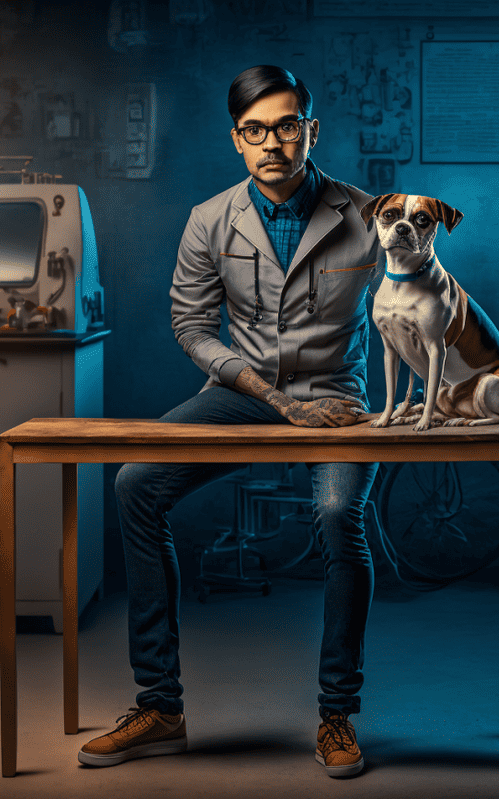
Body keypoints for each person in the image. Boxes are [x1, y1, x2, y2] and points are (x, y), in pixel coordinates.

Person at [78, 65, 382, 779]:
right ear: (236, 141)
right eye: (255, 131)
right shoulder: (208, 220)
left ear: (311, 128)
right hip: (245, 391)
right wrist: (277, 402)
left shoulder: (368, 214)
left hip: (337, 394)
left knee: (340, 514)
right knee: (136, 483)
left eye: (285, 125)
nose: (271, 142)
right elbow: (191, 326)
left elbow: (417, 302)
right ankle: (160, 705)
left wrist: (420, 401)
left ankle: (336, 713)